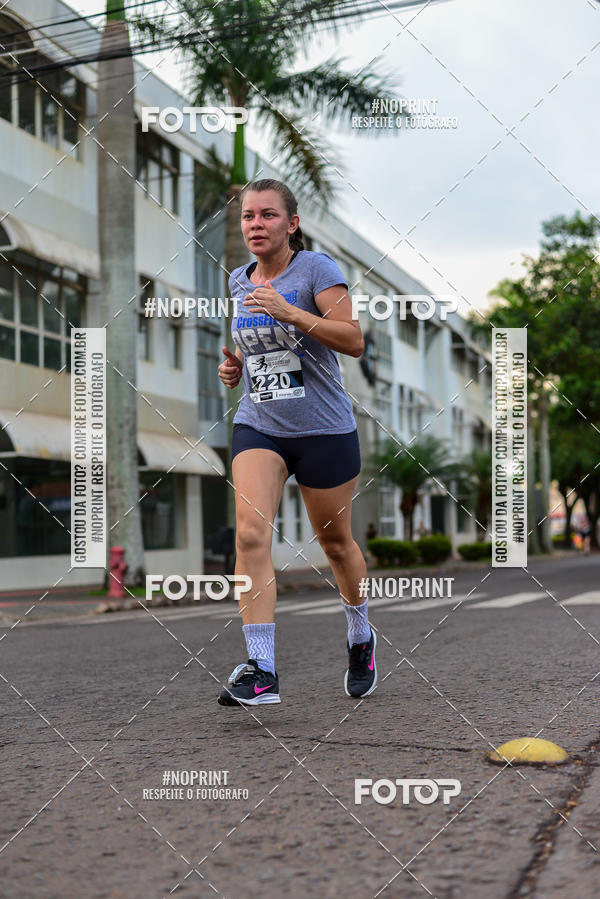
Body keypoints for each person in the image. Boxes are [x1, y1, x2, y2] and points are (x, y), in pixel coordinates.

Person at [216, 178, 376, 707]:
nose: (255, 225)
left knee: (335, 544)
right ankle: (261, 670)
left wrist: (292, 314)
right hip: (260, 422)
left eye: (267, 215)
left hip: (323, 428)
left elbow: (352, 339)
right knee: (250, 535)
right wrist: (235, 366)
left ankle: (360, 635)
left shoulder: (317, 270)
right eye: (248, 216)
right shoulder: (239, 280)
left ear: (292, 223)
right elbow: (251, 345)